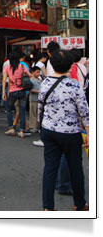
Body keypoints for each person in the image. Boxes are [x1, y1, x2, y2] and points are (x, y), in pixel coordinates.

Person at [39, 50, 89, 211]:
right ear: (69, 66)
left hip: (49, 130)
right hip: (70, 132)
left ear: (52, 64)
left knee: (50, 168)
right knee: (75, 168)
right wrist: (89, 134)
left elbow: (41, 107)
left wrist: (42, 125)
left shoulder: (45, 83)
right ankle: (79, 203)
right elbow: (84, 112)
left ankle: (48, 206)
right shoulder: (74, 85)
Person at [2, 51, 32, 138]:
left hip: (12, 91)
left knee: (9, 109)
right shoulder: (22, 66)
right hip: (22, 91)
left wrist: (4, 92)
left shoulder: (7, 68)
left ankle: (11, 128)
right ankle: (22, 131)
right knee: (22, 111)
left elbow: (4, 80)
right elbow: (30, 76)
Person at [29, 66, 41, 132]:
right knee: (33, 113)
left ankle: (38, 126)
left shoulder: (40, 79)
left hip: (39, 99)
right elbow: (30, 89)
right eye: (37, 72)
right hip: (33, 98)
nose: (38, 73)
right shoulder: (31, 80)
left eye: (39, 72)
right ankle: (33, 126)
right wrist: (38, 91)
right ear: (33, 72)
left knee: (38, 113)